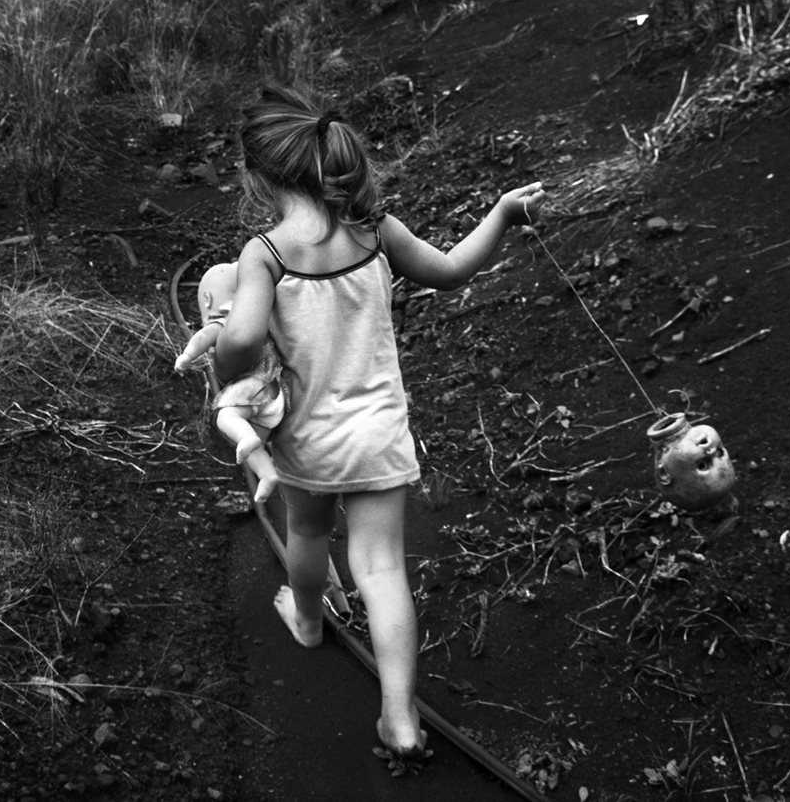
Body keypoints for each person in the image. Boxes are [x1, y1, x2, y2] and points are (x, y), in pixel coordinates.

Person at [212, 84, 543, 772]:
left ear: (259, 176)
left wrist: (230, 353)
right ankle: (398, 713)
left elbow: (241, 338)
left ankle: (307, 620)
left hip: (311, 438)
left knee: (307, 531)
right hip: (380, 430)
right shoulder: (373, 229)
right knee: (382, 566)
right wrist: (504, 213)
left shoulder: (264, 255)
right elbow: (450, 271)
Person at [174, 261, 286, 501]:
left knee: (225, 417)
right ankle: (267, 474)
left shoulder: (228, 320)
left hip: (255, 386)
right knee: (246, 439)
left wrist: (186, 356)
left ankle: (249, 442)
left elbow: (204, 336)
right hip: (276, 392)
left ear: (208, 300)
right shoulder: (263, 318)